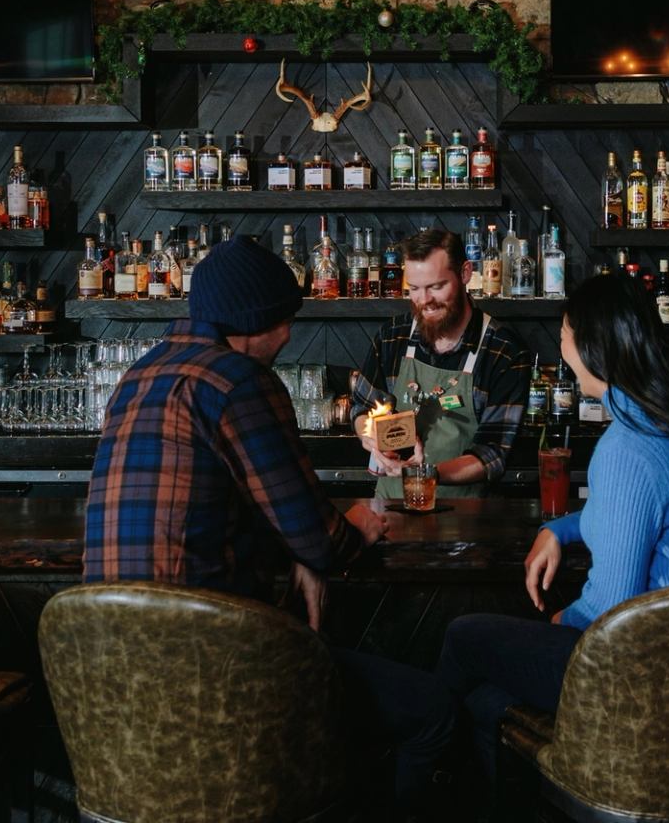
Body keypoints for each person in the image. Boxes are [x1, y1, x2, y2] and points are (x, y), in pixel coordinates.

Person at [83, 235, 453, 810]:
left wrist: (296, 553)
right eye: (287, 320)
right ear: (259, 322)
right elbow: (324, 541)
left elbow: (214, 509)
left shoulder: (139, 375)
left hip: (108, 688)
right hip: (217, 675)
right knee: (431, 709)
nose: (289, 335)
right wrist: (345, 530)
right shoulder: (241, 382)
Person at [433, 272, 669, 783]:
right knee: (487, 701)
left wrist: (559, 622)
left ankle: (424, 787)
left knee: (465, 636)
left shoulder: (627, 447)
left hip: (644, 670)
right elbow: (636, 509)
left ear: (594, 344)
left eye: (563, 337)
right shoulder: (668, 422)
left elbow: (611, 607)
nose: (561, 353)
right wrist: (561, 529)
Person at [349, 229, 533, 499]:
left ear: (465, 273)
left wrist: (426, 474)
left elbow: (492, 454)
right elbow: (362, 407)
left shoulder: (503, 352)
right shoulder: (393, 336)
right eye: (414, 289)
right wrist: (370, 437)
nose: (424, 301)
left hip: (464, 520)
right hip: (390, 510)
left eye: (436, 287)